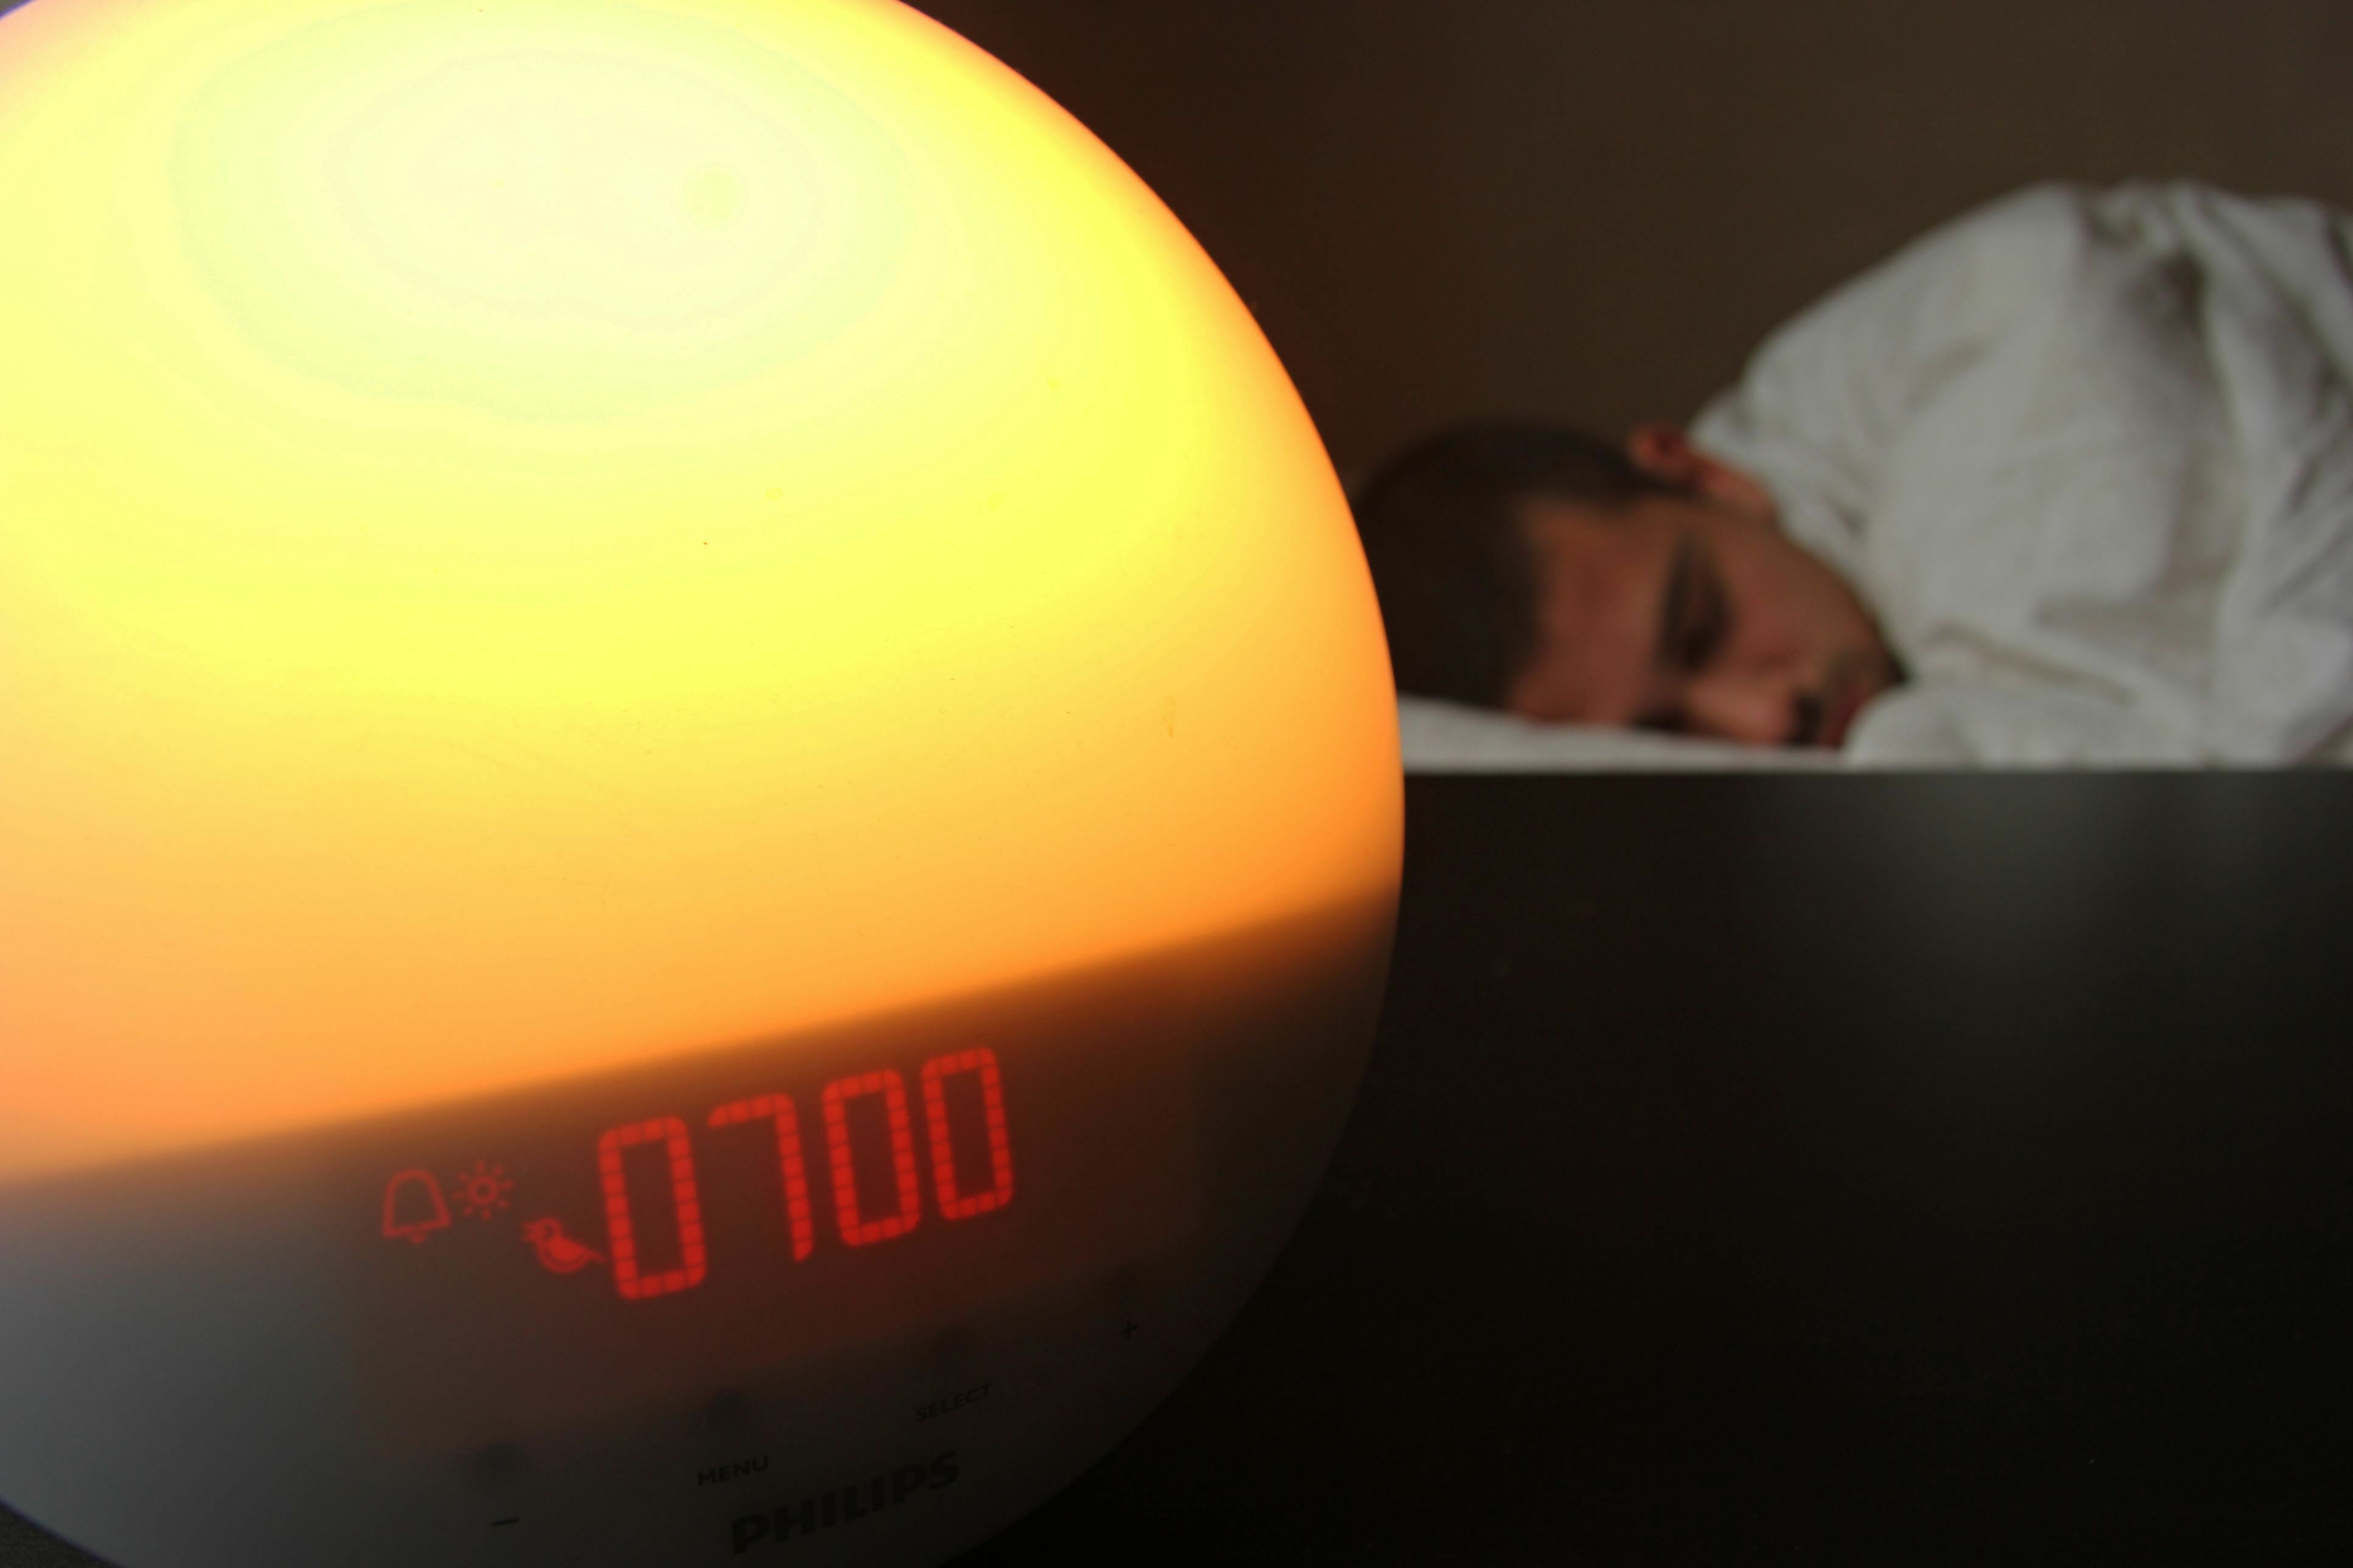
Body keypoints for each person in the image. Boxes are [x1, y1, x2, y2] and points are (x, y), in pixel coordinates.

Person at [1354, 181, 2353, 764]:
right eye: (1667, 730)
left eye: (1702, 625)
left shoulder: (2006, 332)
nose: (1761, 719)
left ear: (1700, 473)